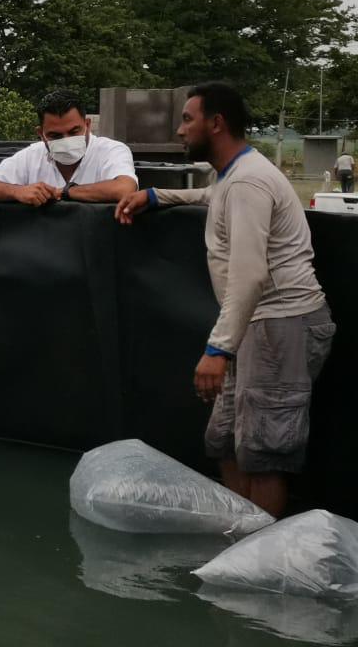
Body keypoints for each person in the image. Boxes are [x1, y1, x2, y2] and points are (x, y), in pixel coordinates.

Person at [115, 82, 332, 518]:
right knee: (225, 439)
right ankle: (240, 535)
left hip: (280, 324)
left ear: (217, 123)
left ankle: (260, 557)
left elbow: (251, 275)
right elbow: (213, 195)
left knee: (263, 451)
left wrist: (219, 349)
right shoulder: (234, 175)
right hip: (257, 325)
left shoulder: (249, 181)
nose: (180, 130)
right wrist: (157, 196)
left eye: (187, 119)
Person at [0, 89, 137, 205]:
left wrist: (65, 192)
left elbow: (124, 189)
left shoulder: (111, 150)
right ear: (41, 134)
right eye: (55, 135)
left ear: (87, 124)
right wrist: (17, 191)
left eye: (74, 131)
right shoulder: (31, 156)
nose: (66, 140)